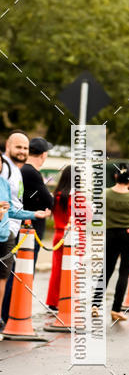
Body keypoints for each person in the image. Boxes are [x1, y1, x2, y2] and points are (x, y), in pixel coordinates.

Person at [1, 131, 51, 323]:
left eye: (25, 148)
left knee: (4, 279)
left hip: (11, 232)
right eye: (18, 147)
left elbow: (13, 207)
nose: (22, 151)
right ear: (8, 145)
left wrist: (32, 214)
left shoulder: (17, 171)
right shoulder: (4, 167)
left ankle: (3, 320)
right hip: (5, 231)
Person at [92, 167, 129, 322]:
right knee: (124, 272)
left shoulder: (105, 193)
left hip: (111, 234)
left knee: (107, 270)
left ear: (115, 176)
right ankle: (116, 309)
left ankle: (95, 304)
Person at [21, 137, 54, 268]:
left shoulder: (23, 169)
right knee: (26, 269)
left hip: (24, 226)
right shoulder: (32, 173)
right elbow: (49, 200)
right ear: (43, 154)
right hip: (31, 228)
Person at [46, 166, 72, 311]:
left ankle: (53, 301)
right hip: (71, 236)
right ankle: (67, 300)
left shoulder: (56, 195)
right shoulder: (75, 197)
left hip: (58, 235)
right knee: (71, 271)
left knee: (56, 270)